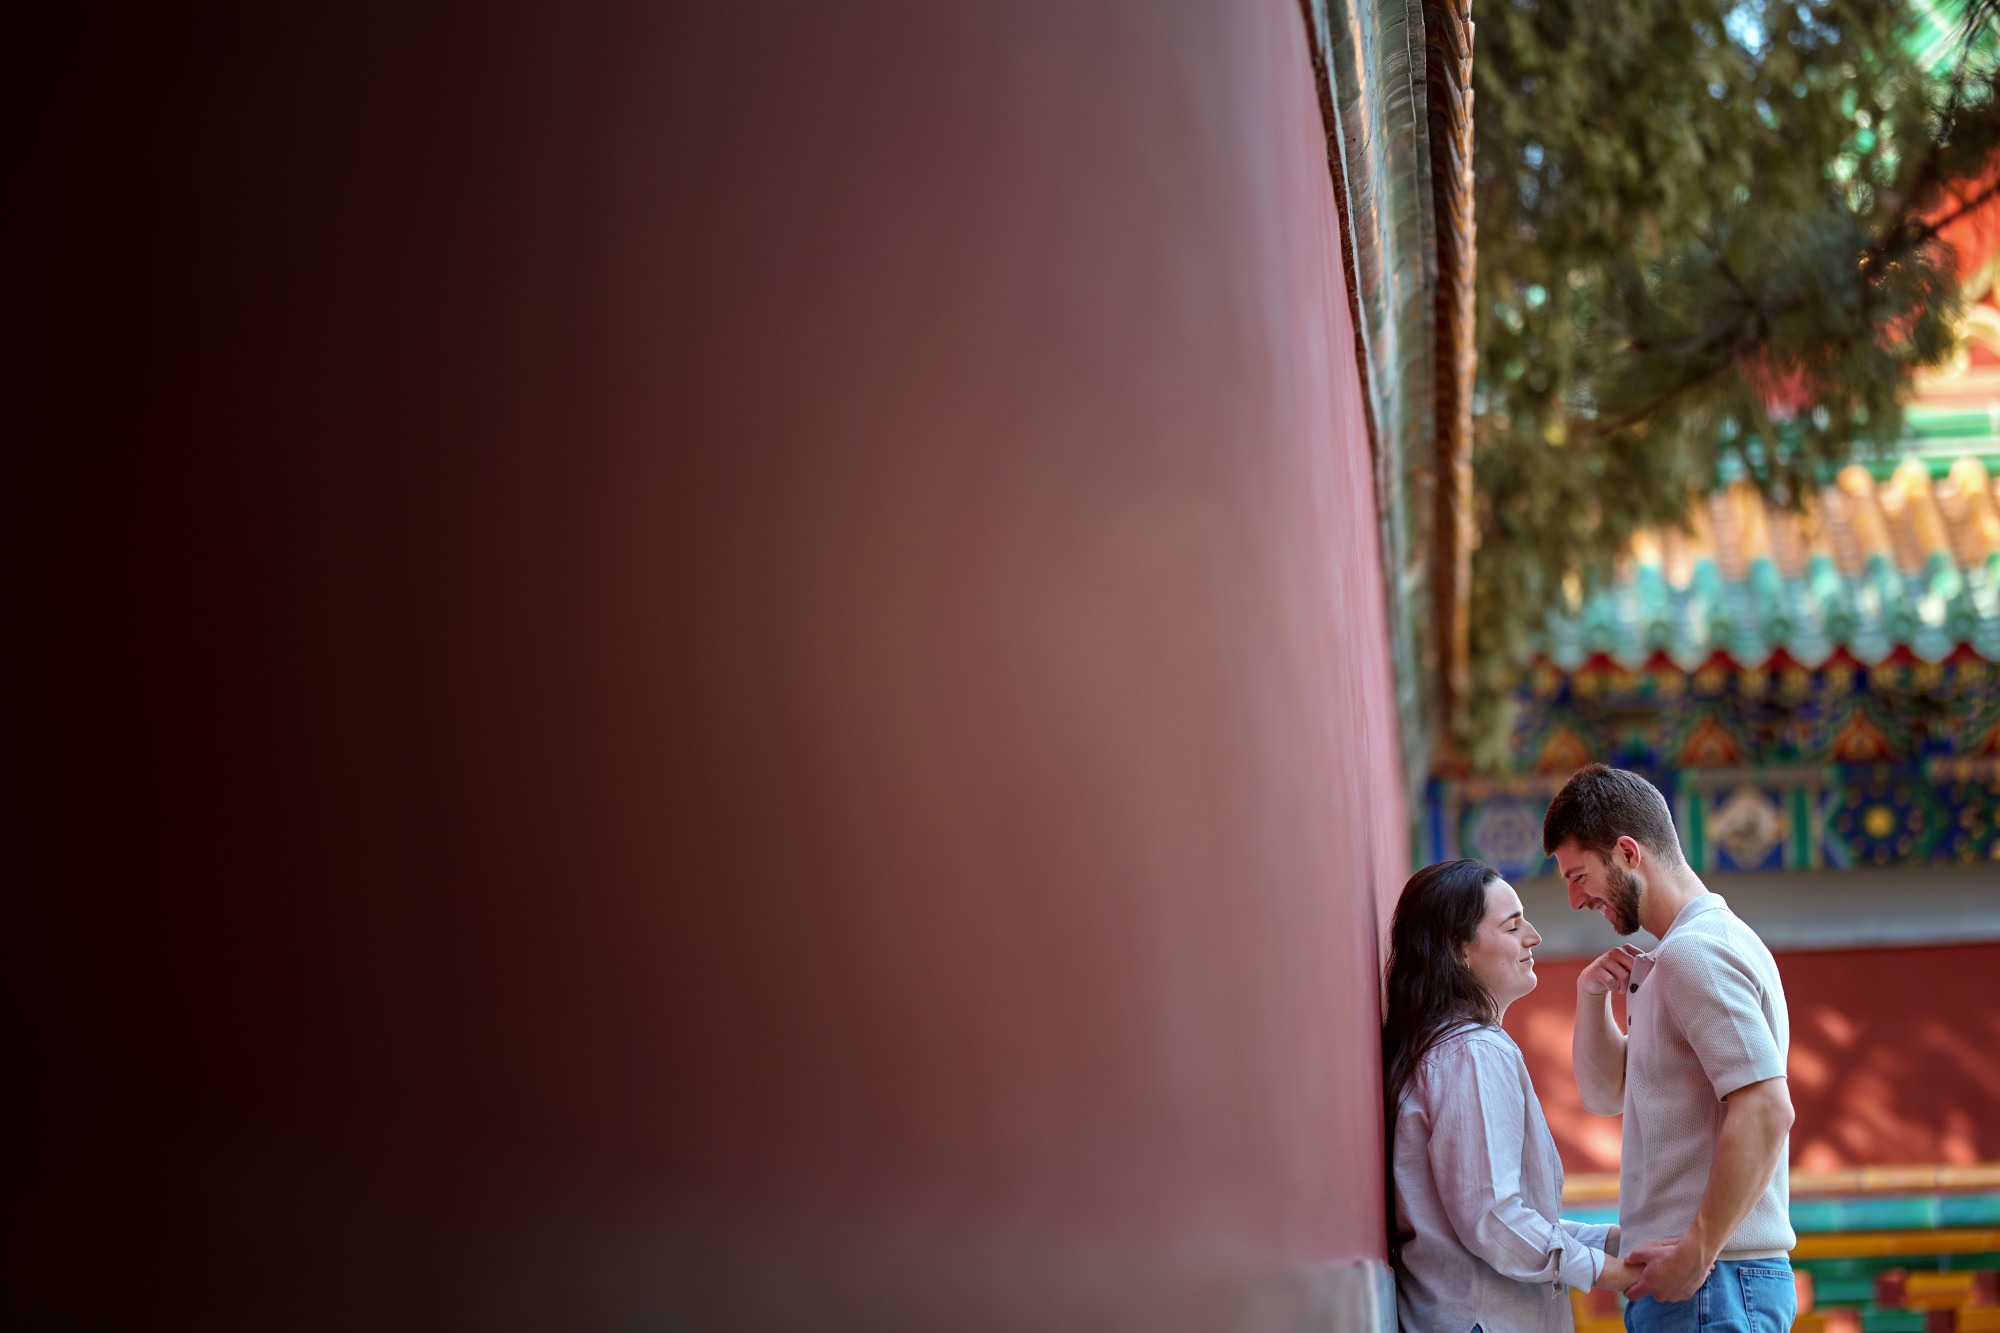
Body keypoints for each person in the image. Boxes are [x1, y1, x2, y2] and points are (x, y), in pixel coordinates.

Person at [1544, 764, 1796, 1333]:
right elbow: (1606, 1094)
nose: (1576, 899)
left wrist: (1697, 1252)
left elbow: (1766, 1107)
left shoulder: (1694, 954)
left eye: (1579, 876)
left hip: (1713, 1285)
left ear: (1628, 853)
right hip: (1708, 1284)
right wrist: (1591, 997)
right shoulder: (1683, 953)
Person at [1385, 858, 1635, 1332]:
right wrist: (1613, 1273)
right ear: (1458, 949)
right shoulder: (1473, 1051)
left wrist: (1618, 1242)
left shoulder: (1451, 1047)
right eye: (1513, 925)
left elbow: (1513, 1218)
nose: (1534, 937)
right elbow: (1494, 1219)